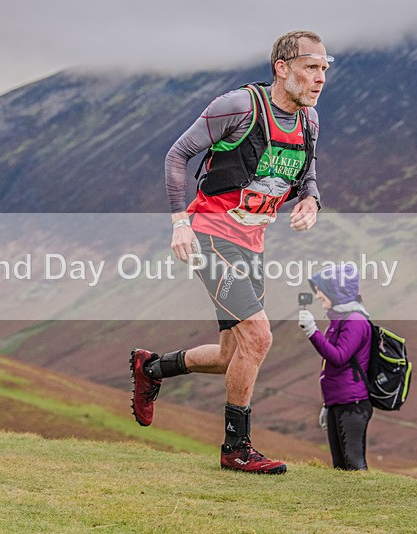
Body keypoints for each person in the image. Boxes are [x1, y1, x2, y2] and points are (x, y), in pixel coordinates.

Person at [131, 31, 332, 474]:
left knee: (231, 354)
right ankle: (236, 448)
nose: (320, 78)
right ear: (282, 67)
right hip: (209, 236)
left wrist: (311, 199)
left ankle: (151, 369)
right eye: (311, 68)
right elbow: (177, 155)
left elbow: (309, 171)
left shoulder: (310, 121)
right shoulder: (239, 106)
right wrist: (179, 223)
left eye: (324, 69)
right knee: (258, 338)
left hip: (251, 243)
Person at [298, 263, 373, 471]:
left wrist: (312, 331)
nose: (318, 295)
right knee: (340, 467)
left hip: (352, 403)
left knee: (354, 464)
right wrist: (327, 405)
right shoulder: (340, 320)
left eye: (321, 290)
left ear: (336, 291)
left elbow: (339, 357)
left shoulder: (355, 321)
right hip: (338, 401)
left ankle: (364, 494)